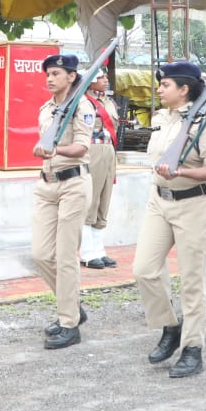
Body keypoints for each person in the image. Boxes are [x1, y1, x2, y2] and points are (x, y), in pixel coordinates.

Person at [133, 61, 206, 378]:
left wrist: (182, 171)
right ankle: (170, 325)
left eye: (165, 85)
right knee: (144, 269)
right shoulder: (161, 118)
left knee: (192, 280)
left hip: (194, 203)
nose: (159, 89)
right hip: (160, 200)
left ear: (184, 89)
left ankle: (192, 348)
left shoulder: (204, 124)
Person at [31, 54, 94, 350]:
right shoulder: (46, 109)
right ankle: (72, 304)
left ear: (71, 76)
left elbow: (82, 147)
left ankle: (69, 323)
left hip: (73, 184)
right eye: (48, 74)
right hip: (47, 184)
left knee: (66, 256)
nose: (50, 78)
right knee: (41, 254)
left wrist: (54, 149)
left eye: (56, 73)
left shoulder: (82, 106)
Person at [81, 71, 119, 270]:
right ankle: (87, 252)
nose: (105, 80)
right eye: (100, 78)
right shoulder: (82, 102)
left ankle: (99, 250)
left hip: (108, 149)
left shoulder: (108, 102)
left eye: (105, 77)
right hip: (92, 149)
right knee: (92, 199)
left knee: (104, 199)